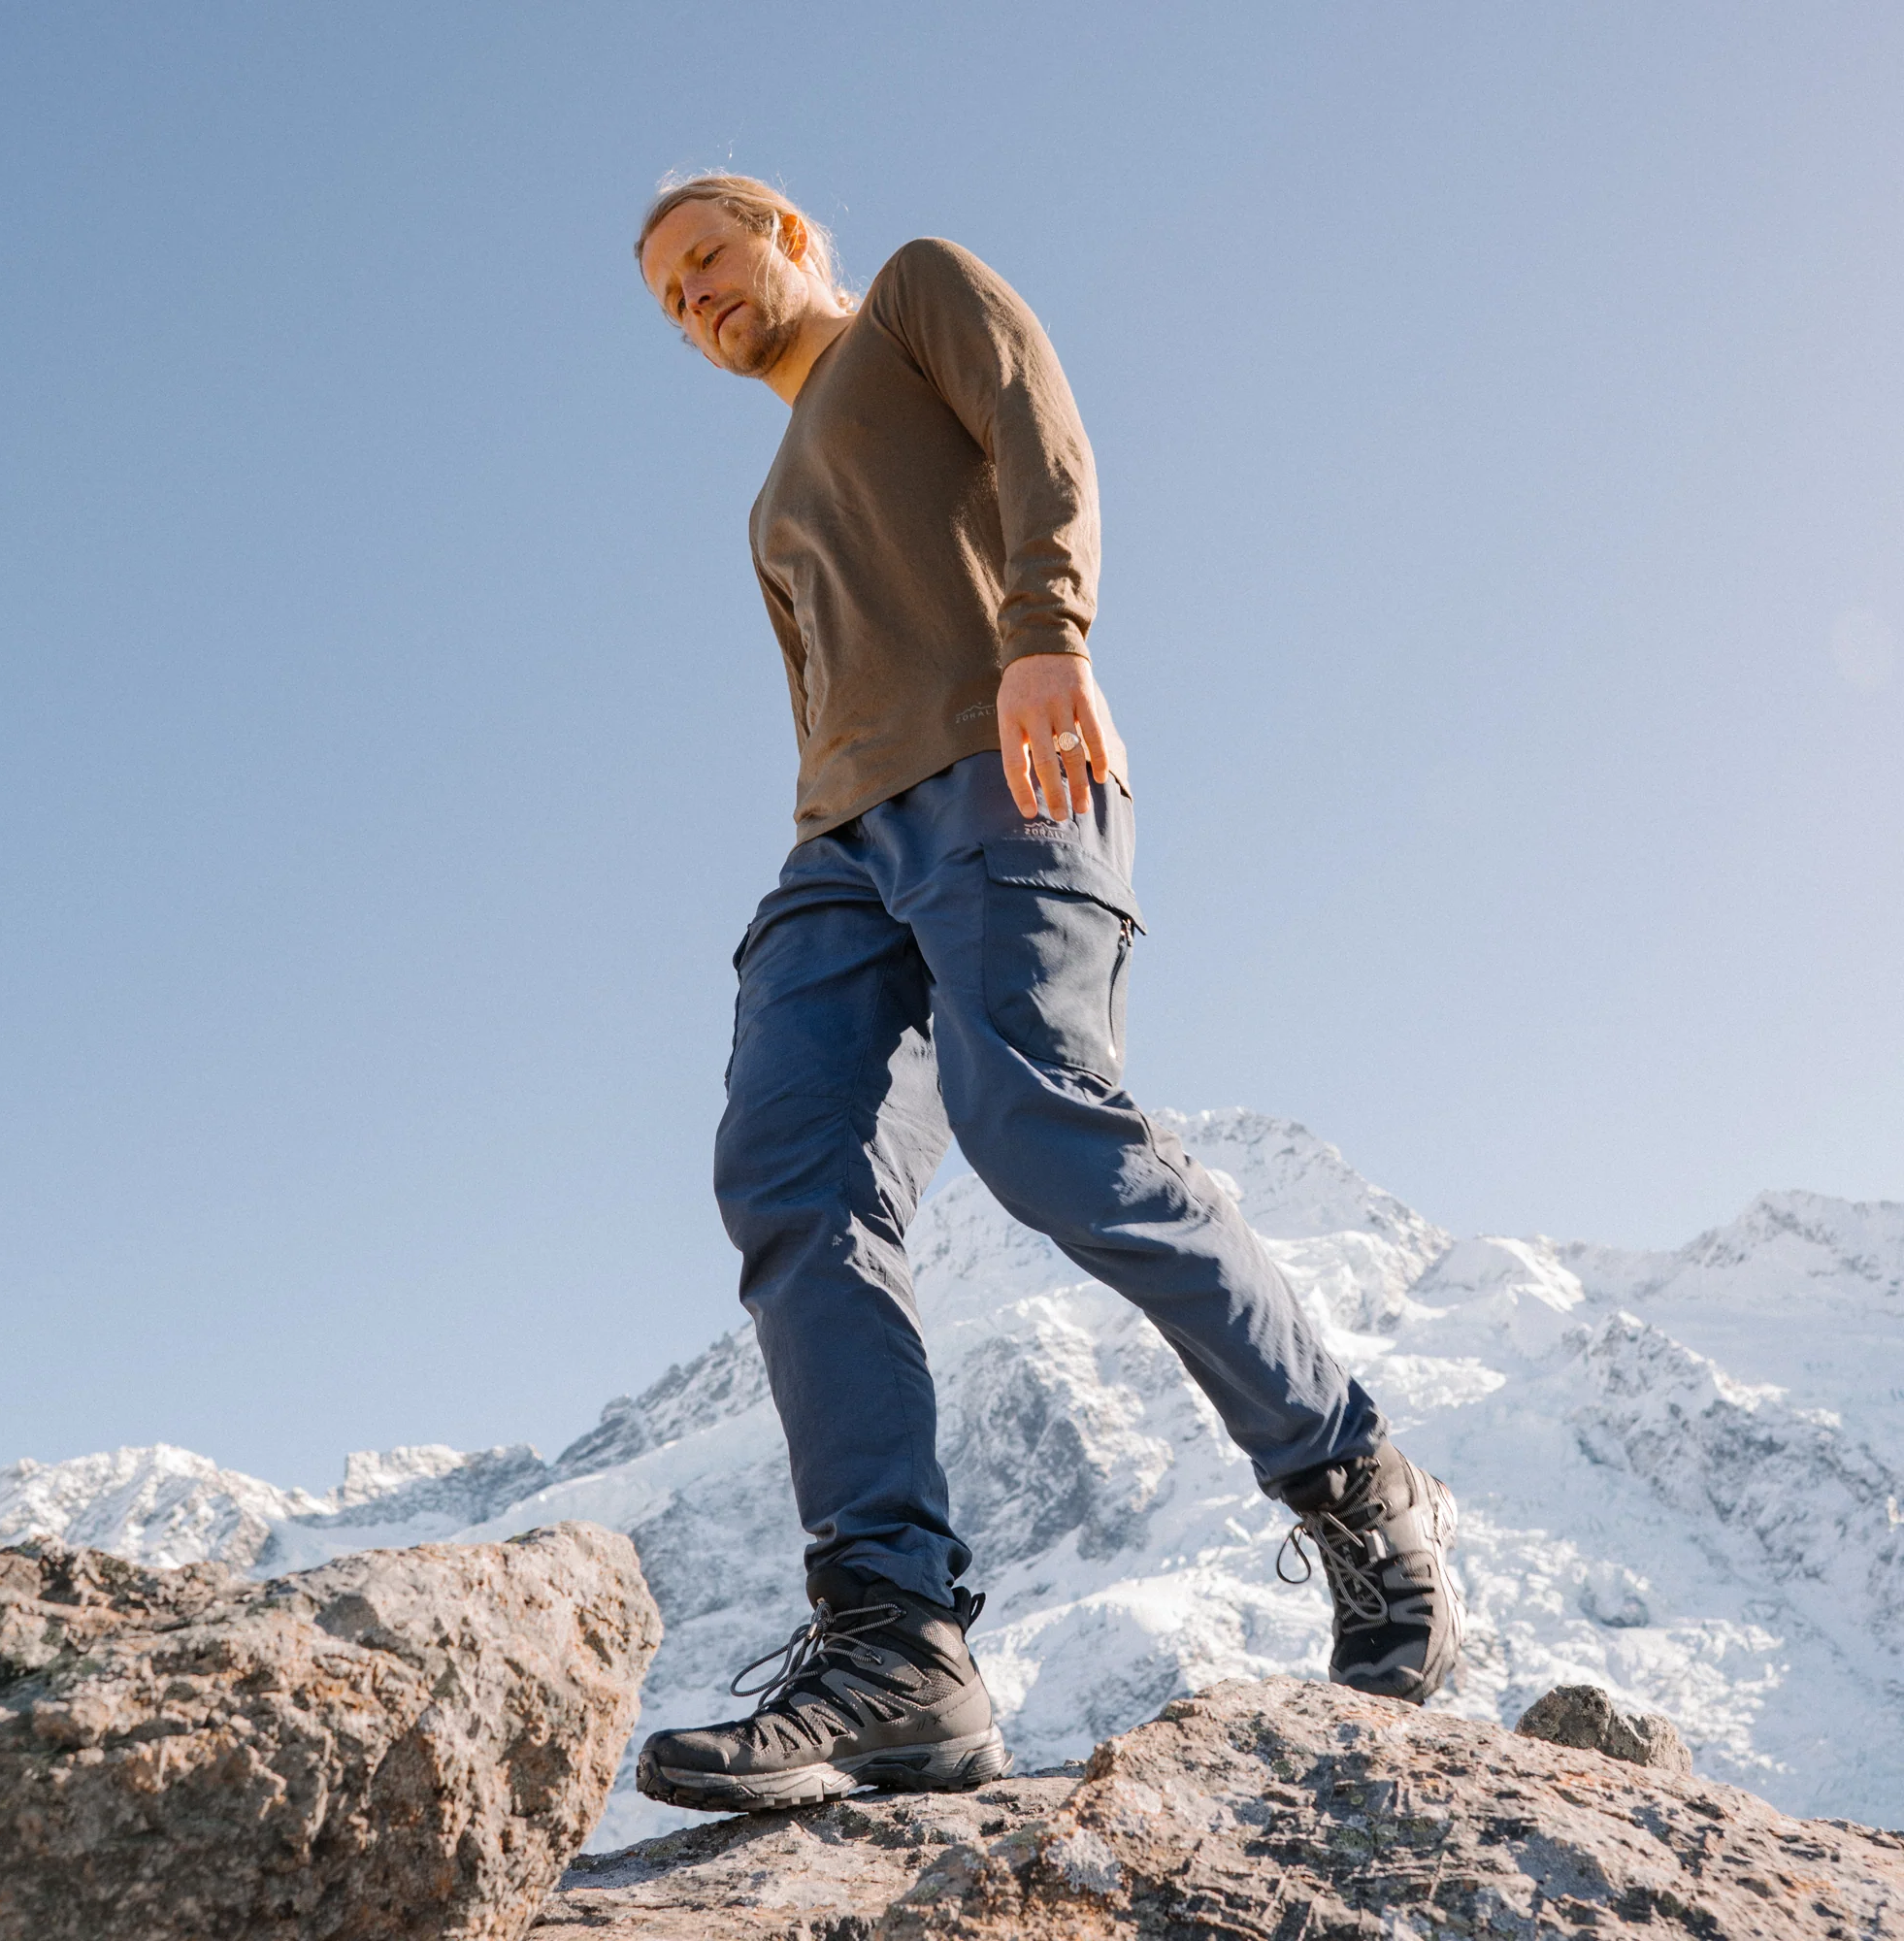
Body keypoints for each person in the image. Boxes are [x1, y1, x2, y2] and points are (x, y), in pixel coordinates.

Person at [630, 174, 1463, 1814]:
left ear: (788, 235)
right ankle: (896, 1648)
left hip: (1005, 774)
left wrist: (1047, 633)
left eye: (707, 260)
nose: (695, 301)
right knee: (787, 1173)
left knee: (1040, 1127)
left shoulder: (920, 296)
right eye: (667, 299)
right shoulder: (763, 509)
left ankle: (1361, 1490)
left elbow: (1041, 431)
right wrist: (828, 852)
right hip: (838, 848)